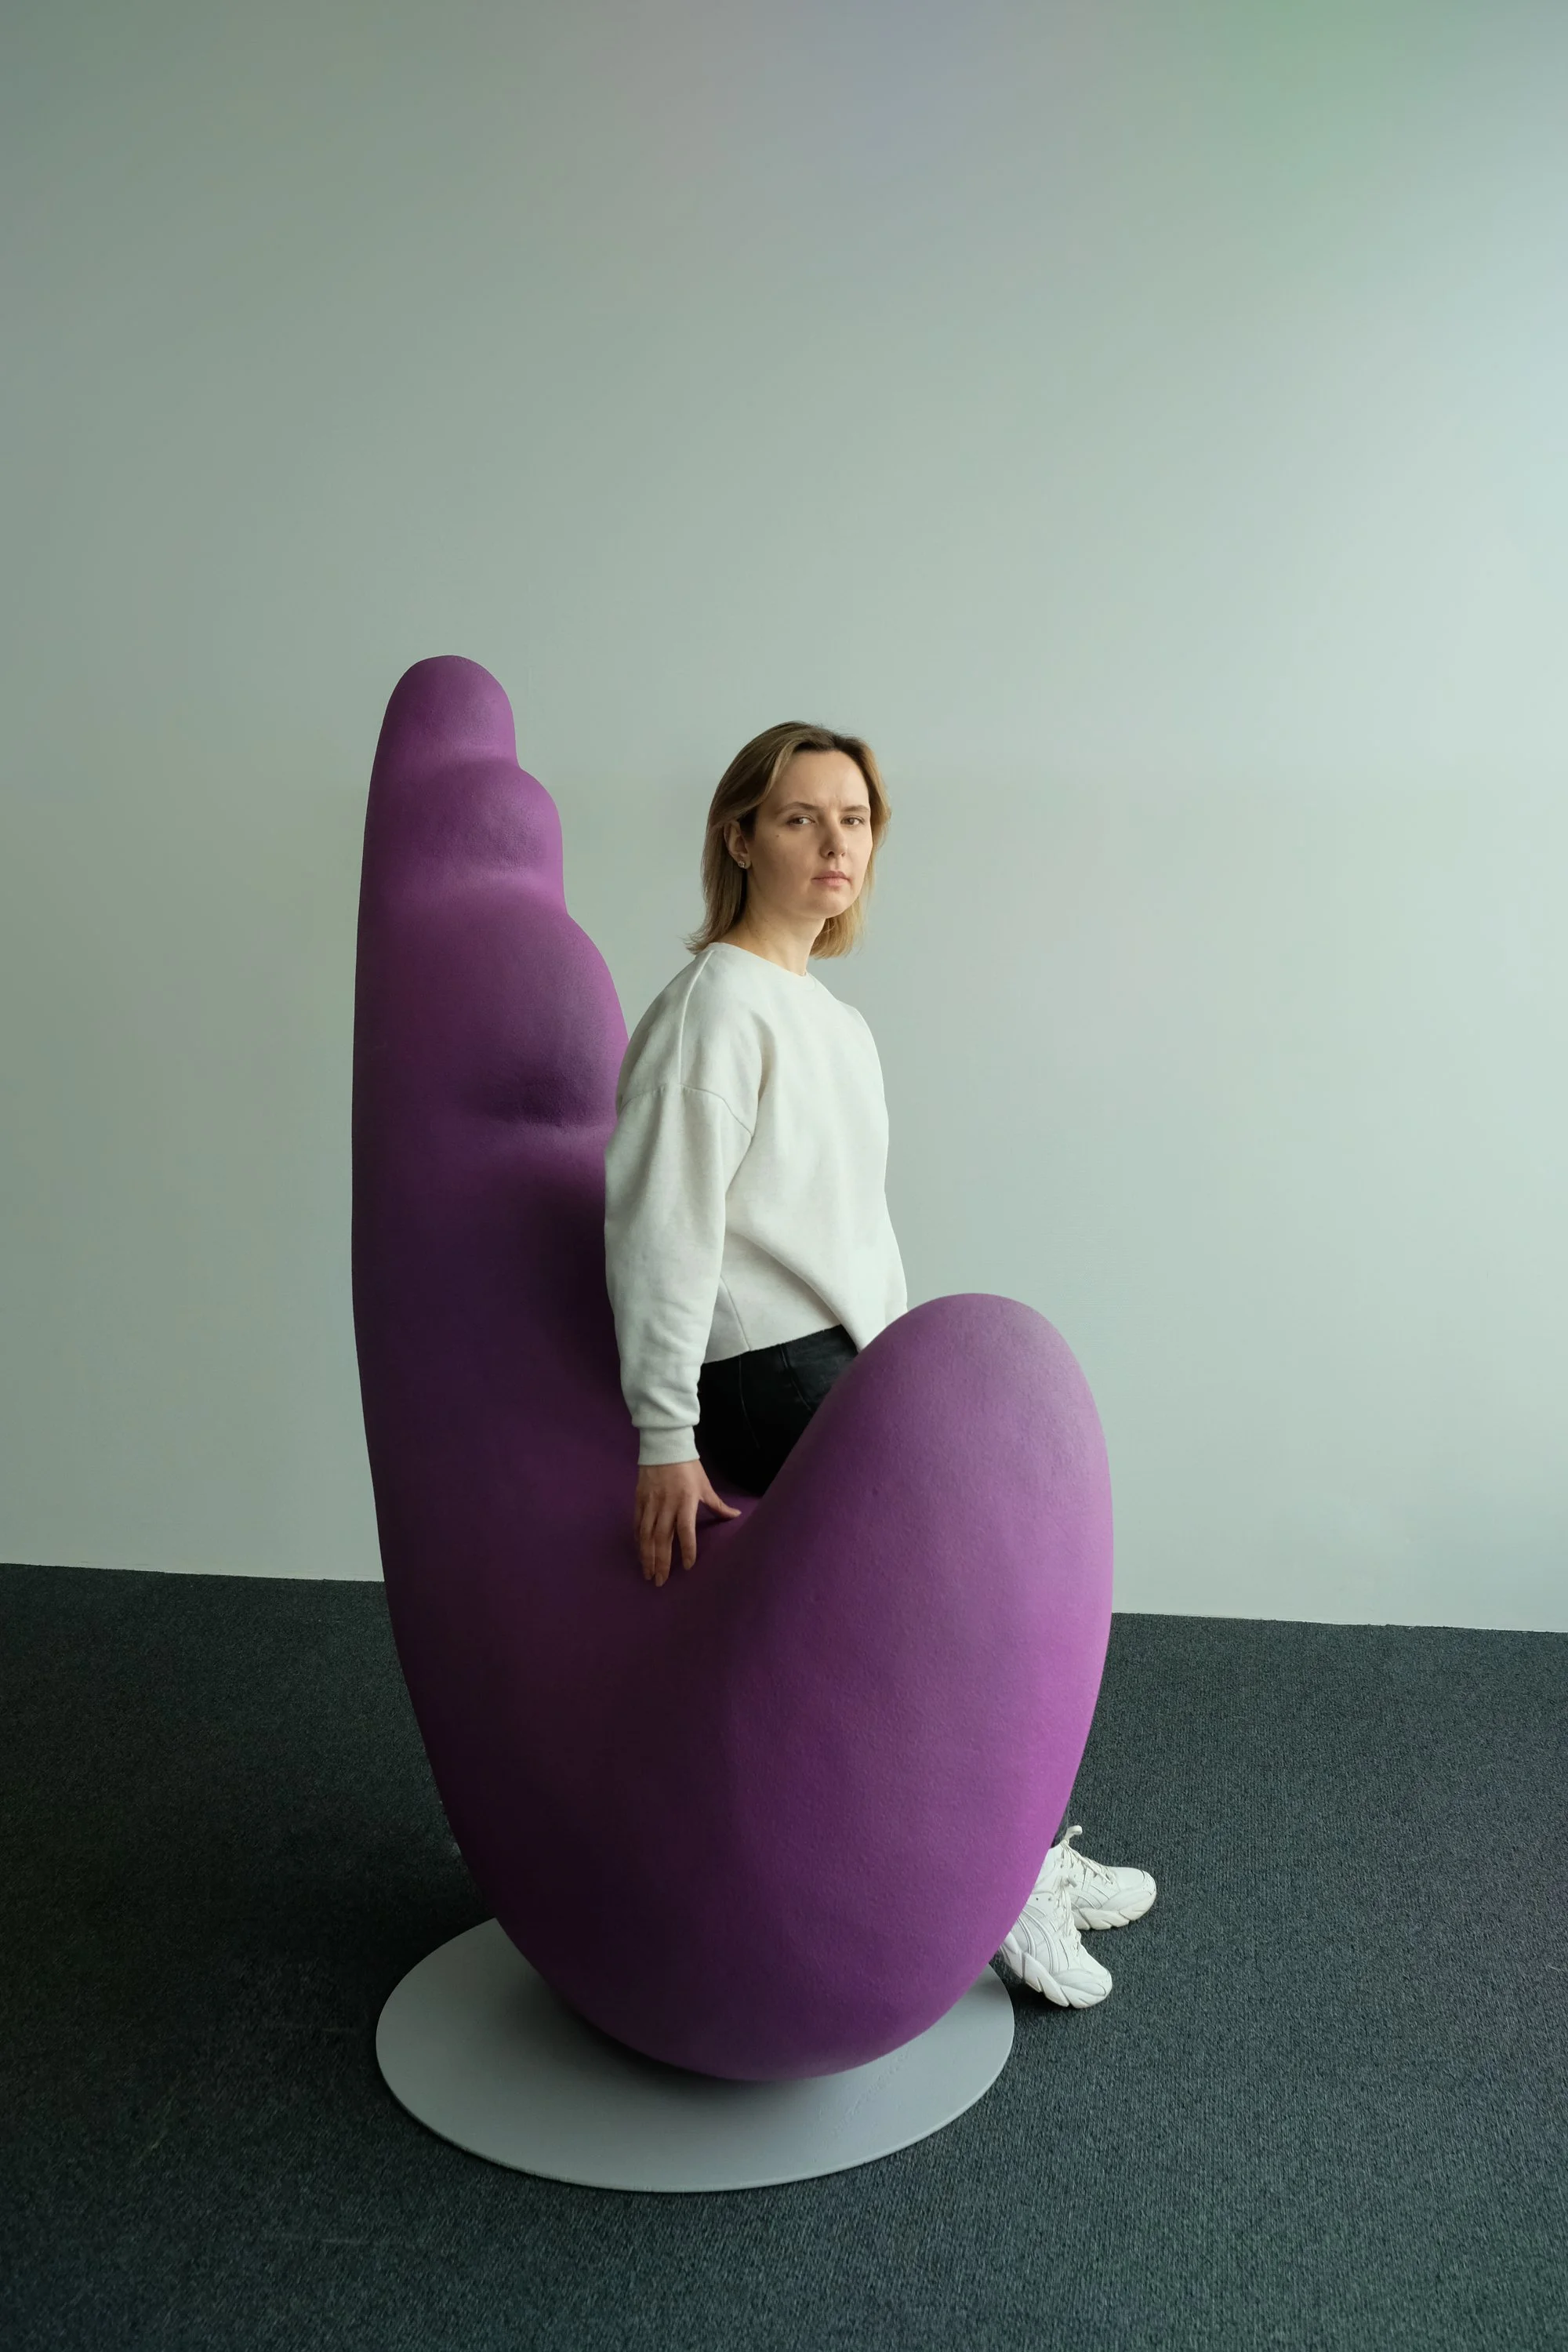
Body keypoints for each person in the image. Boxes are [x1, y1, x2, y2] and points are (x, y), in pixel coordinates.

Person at [603, 720, 1155, 2007]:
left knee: (1023, 1545)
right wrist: (662, 1434)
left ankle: (1013, 1857)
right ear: (741, 837)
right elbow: (662, 1227)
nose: (835, 842)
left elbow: (856, 1235)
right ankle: (999, 1891)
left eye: (853, 820)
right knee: (962, 1583)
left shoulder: (834, 1023)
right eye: (800, 817)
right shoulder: (716, 1009)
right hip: (756, 1371)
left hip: (846, 1360)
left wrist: (909, 1386)